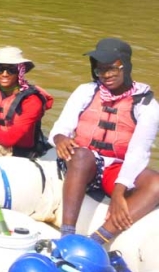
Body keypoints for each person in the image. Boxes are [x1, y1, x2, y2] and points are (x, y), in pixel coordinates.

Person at [49, 38, 159, 245]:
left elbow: (138, 153)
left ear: (125, 66)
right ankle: (66, 235)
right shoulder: (86, 91)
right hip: (81, 166)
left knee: (156, 183)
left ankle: (97, 240)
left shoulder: (147, 106)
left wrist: (119, 193)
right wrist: (60, 138)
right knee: (82, 154)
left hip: (115, 170)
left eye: (112, 69)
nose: (106, 75)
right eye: (100, 70)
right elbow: (60, 127)